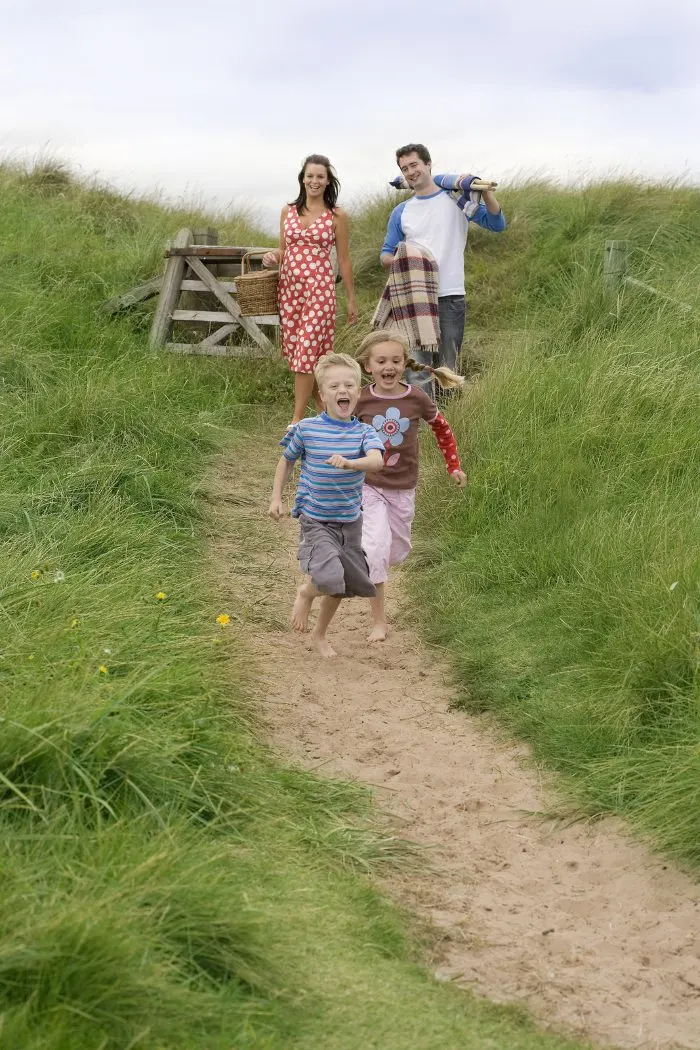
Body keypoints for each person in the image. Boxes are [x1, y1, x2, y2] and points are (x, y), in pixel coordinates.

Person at [268, 353, 385, 658]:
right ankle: (306, 592)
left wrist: (350, 464)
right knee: (329, 577)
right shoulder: (306, 429)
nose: (342, 390)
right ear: (322, 394)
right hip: (316, 518)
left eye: (349, 385)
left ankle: (320, 635)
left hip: (349, 520)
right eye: (334, 386)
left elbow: (376, 461)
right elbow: (287, 461)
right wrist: (276, 497)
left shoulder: (364, 432)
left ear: (358, 393)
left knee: (343, 585)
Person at [354, 330, 467, 642]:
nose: (388, 366)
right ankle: (378, 621)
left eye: (395, 360)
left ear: (405, 363)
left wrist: (453, 465)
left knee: (396, 551)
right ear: (368, 366)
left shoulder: (416, 398)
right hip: (369, 486)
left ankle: (369, 557)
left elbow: (442, 428)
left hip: (403, 487)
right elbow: (339, 431)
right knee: (375, 549)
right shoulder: (360, 399)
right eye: (381, 361)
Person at [380, 143, 506, 390]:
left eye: (414, 164)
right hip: (414, 298)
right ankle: (424, 425)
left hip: (450, 295)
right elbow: (385, 255)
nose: (410, 172)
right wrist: (406, 259)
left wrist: (486, 192)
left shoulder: (457, 201)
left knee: (448, 369)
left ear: (428, 164)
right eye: (404, 168)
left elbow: (497, 224)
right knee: (417, 368)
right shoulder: (401, 211)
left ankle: (446, 425)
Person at [263, 154, 358, 425]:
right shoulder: (288, 211)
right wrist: (273, 256)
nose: (314, 181)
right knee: (302, 354)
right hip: (290, 291)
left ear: (328, 181)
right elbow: (284, 250)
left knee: (305, 353)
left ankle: (296, 421)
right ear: (302, 179)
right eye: (310, 176)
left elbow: (344, 260)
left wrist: (351, 299)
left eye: (320, 176)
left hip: (320, 291)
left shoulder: (336, 215)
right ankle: (325, 412)